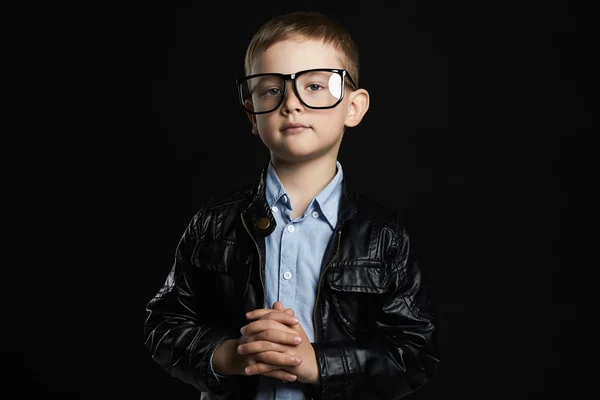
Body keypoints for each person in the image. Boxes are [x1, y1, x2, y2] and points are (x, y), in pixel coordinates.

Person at [144, 10, 440, 400]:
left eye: (315, 86)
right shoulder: (214, 223)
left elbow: (415, 351)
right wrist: (232, 355)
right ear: (251, 112)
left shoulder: (383, 235)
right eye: (270, 89)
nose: (291, 104)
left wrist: (316, 363)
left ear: (354, 106)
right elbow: (164, 324)